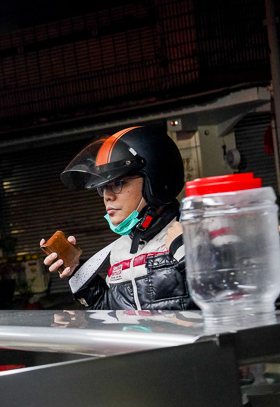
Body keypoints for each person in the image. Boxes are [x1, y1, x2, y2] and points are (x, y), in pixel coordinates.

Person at [41, 126, 194, 310]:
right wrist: (77, 271)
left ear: (156, 181)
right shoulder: (121, 248)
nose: (107, 196)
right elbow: (115, 313)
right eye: (103, 188)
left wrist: (188, 256)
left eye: (118, 183)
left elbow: (225, 300)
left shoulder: (194, 233)